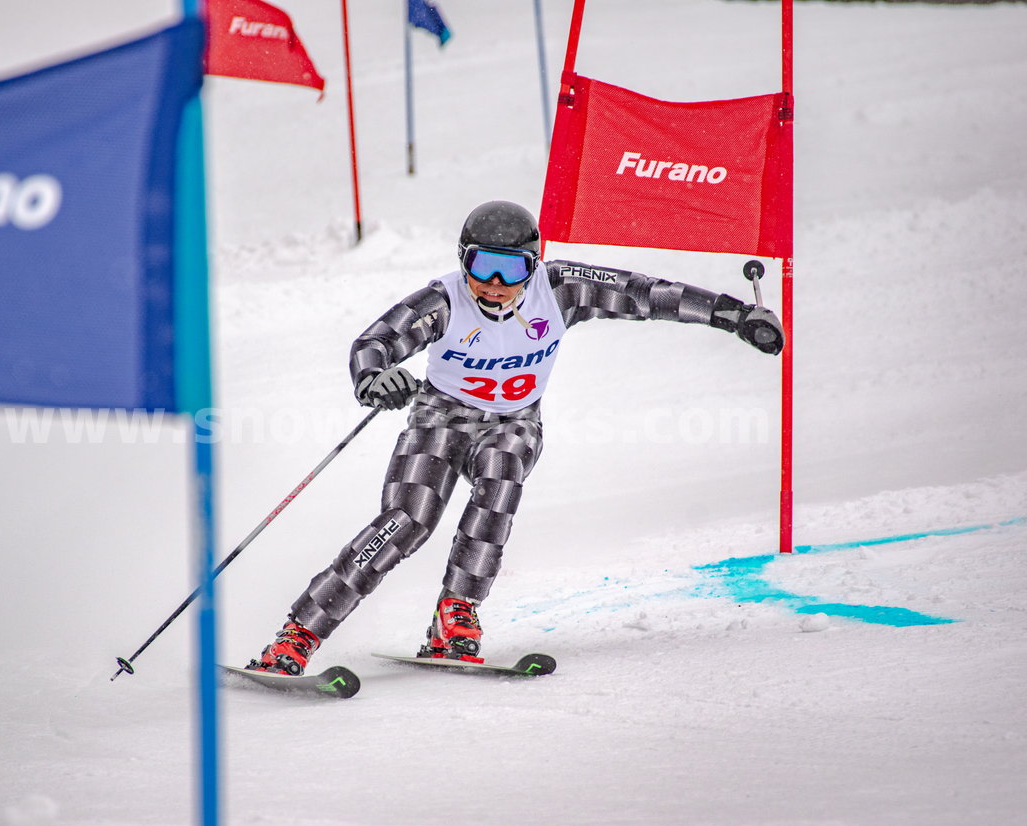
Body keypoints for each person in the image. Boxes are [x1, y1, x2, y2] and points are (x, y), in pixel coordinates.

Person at [246, 200, 784, 675]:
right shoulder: (443, 300)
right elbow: (376, 341)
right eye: (484, 266)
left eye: (513, 270)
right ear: (464, 261)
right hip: (441, 417)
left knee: (500, 478)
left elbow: (648, 294)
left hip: (514, 419)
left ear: (534, 266)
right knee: (406, 522)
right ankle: (299, 634)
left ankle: (455, 614)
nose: (497, 285)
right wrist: (373, 376)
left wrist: (733, 315)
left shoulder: (562, 288)